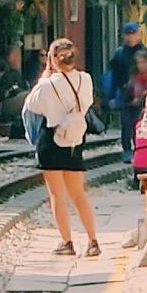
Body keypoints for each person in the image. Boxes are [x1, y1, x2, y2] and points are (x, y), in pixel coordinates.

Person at [25, 36, 101, 257]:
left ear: (51, 59)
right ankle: (93, 241)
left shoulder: (47, 84)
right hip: (76, 139)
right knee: (79, 194)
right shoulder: (85, 79)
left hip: (52, 139)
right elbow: (86, 103)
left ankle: (66, 242)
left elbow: (32, 105)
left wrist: (46, 75)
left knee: (57, 194)